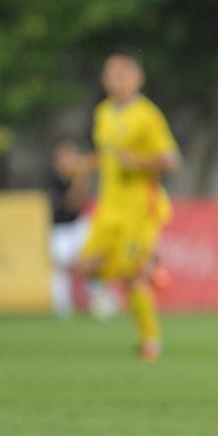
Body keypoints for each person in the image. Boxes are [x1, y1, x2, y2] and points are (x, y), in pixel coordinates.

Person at [77, 51, 180, 361]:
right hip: (109, 207)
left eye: (122, 75)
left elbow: (172, 160)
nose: (116, 81)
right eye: (111, 75)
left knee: (130, 275)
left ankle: (151, 341)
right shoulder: (103, 113)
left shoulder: (147, 115)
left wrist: (138, 162)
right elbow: (106, 154)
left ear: (138, 79)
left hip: (140, 209)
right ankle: (152, 269)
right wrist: (82, 165)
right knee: (86, 267)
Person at [47, 138, 93, 317]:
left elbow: (81, 203)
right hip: (59, 229)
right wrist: (78, 180)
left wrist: (81, 178)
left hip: (78, 225)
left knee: (92, 262)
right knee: (59, 269)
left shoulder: (78, 178)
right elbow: (70, 203)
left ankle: (99, 303)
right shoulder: (53, 181)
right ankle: (62, 309)